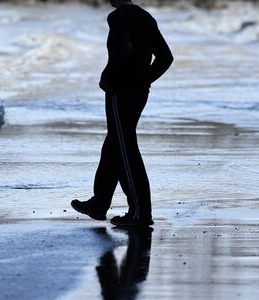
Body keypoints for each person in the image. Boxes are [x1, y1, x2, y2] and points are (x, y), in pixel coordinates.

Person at [71, 0, 173, 227]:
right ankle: (100, 203)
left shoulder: (118, 17)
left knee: (126, 149)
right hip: (137, 92)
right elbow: (166, 57)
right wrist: (144, 80)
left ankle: (140, 213)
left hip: (121, 92)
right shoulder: (145, 16)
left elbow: (125, 49)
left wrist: (111, 79)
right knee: (114, 145)